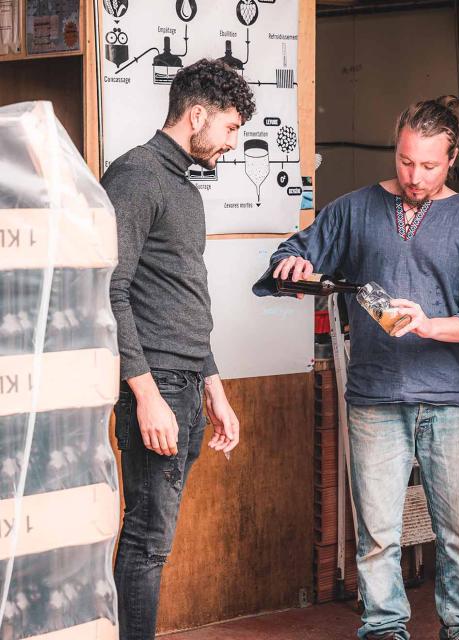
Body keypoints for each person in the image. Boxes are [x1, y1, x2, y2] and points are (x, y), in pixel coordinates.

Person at [253, 97, 459, 640]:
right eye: (406, 161)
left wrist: (429, 323)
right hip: (374, 397)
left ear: (452, 157)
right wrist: (291, 265)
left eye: (429, 165)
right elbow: (294, 252)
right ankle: (385, 628)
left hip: (448, 399)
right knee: (378, 534)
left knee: (458, 533)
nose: (415, 176)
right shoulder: (354, 209)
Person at [102, 58, 255, 640]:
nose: (233, 142)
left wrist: (215, 390)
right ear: (196, 115)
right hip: (156, 386)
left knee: (154, 539)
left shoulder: (183, 188)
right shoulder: (137, 176)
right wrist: (144, 394)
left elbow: (184, 299)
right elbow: (110, 290)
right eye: (230, 127)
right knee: (147, 538)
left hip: (186, 386)